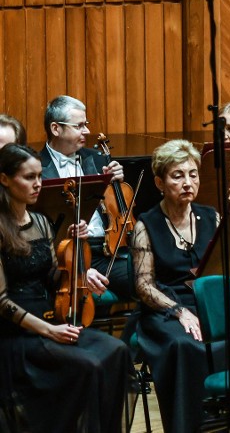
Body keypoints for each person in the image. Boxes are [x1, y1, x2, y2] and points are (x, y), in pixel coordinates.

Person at [0, 144, 131, 433]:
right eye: (28, 177)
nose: (38, 184)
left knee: (117, 350)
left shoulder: (41, 222)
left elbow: (53, 276)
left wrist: (78, 264)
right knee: (87, 365)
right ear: (5, 179)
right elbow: (2, 302)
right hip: (18, 333)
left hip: (51, 318)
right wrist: (49, 331)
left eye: (39, 176)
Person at [131, 139, 220, 433]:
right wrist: (180, 311)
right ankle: (187, 425)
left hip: (206, 302)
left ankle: (228, 418)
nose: (187, 182)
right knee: (184, 344)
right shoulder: (146, 225)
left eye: (193, 174)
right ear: (159, 181)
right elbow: (144, 286)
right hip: (165, 308)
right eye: (177, 175)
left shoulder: (212, 217)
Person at [40, 95, 134, 301]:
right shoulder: (37, 168)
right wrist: (80, 270)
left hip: (108, 250)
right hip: (67, 254)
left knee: (145, 278)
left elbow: (120, 209)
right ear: (56, 129)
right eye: (79, 126)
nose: (87, 131)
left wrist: (115, 181)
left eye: (86, 124)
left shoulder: (98, 159)